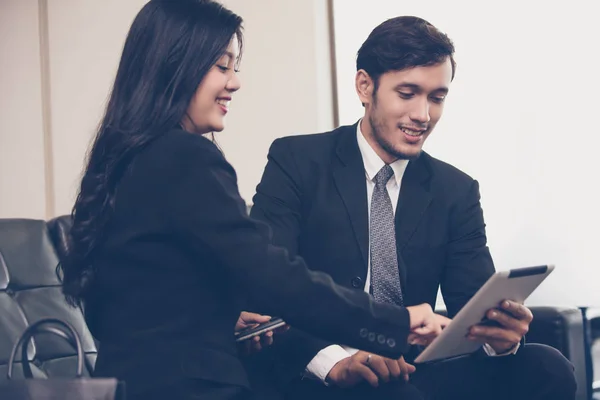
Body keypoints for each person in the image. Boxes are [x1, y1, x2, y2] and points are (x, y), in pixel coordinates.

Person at [57, 2, 447, 400]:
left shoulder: (122, 158)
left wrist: (230, 318)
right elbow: (273, 275)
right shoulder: (185, 156)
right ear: (175, 66)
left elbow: (145, 301)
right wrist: (396, 322)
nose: (235, 82)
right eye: (221, 67)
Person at [249, 15, 577, 400]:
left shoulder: (455, 189)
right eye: (408, 93)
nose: (424, 115)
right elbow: (265, 285)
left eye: (437, 97)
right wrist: (333, 363)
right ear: (364, 86)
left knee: (547, 365)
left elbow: (473, 307)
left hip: (414, 368)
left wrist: (498, 338)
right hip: (325, 370)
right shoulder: (298, 160)